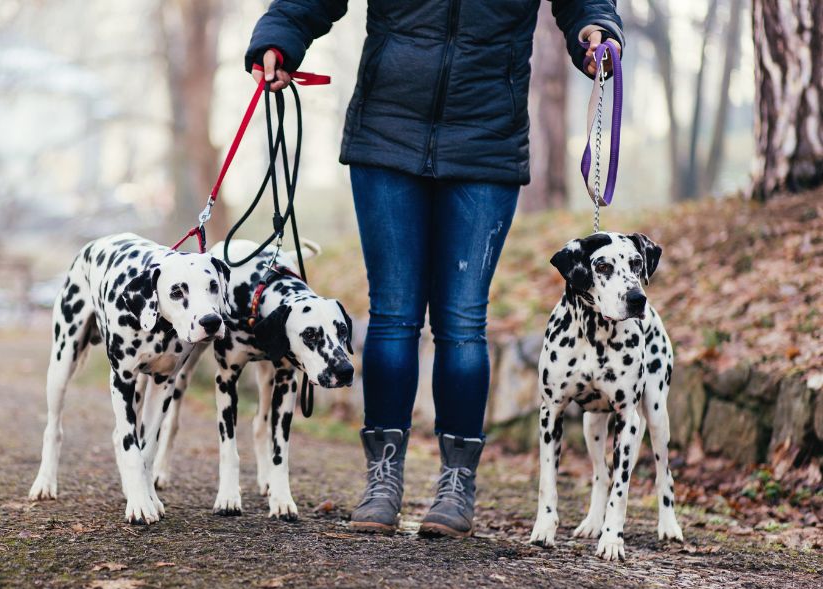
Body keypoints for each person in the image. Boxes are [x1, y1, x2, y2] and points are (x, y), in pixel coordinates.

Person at [245, 0, 623, 538]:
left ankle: (456, 483)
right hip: (387, 133)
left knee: (463, 322)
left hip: (486, 141)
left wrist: (595, 31)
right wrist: (279, 38)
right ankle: (382, 479)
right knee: (393, 314)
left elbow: (583, 3)